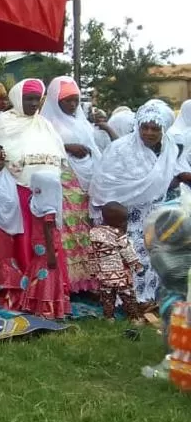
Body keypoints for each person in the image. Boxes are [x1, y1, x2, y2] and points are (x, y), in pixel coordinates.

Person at [91, 100, 183, 304]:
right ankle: (127, 301)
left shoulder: (170, 149)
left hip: (154, 215)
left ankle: (149, 298)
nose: (149, 133)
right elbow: (104, 185)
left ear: (164, 129)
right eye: (145, 127)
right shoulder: (120, 149)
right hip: (124, 217)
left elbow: (167, 180)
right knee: (133, 257)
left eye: (155, 129)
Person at [0, 78, 65, 273]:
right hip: (18, 188)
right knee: (25, 235)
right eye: (28, 98)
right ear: (18, 98)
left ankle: (45, 284)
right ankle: (24, 278)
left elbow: (59, 153)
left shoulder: (44, 124)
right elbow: (2, 154)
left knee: (45, 235)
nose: (33, 104)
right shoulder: (4, 122)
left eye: (37, 99)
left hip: (45, 192)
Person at [41, 76, 100, 292]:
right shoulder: (46, 123)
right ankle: (68, 283)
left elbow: (94, 147)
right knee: (67, 230)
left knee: (85, 230)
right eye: (67, 100)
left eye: (75, 100)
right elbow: (44, 149)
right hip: (64, 180)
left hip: (85, 183)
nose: (73, 105)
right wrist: (68, 147)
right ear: (56, 100)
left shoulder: (82, 122)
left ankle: (86, 282)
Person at [18, 170, 70, 319]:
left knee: (38, 270)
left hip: (37, 243)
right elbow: (49, 230)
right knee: (49, 273)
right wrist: (51, 254)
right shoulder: (49, 207)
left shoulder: (35, 201)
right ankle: (47, 306)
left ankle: (33, 302)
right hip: (49, 245)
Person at [0, 145, 26, 309]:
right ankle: (3, 295)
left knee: (8, 256)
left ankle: (12, 294)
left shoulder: (7, 176)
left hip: (10, 224)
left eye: (1, 159)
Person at [90, 202, 144, 322]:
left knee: (107, 297)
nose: (124, 223)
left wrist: (93, 271)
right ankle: (134, 318)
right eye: (123, 221)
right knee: (128, 296)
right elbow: (127, 252)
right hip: (120, 274)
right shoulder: (118, 234)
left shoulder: (94, 232)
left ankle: (109, 318)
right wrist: (137, 266)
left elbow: (92, 253)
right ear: (116, 221)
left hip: (103, 274)